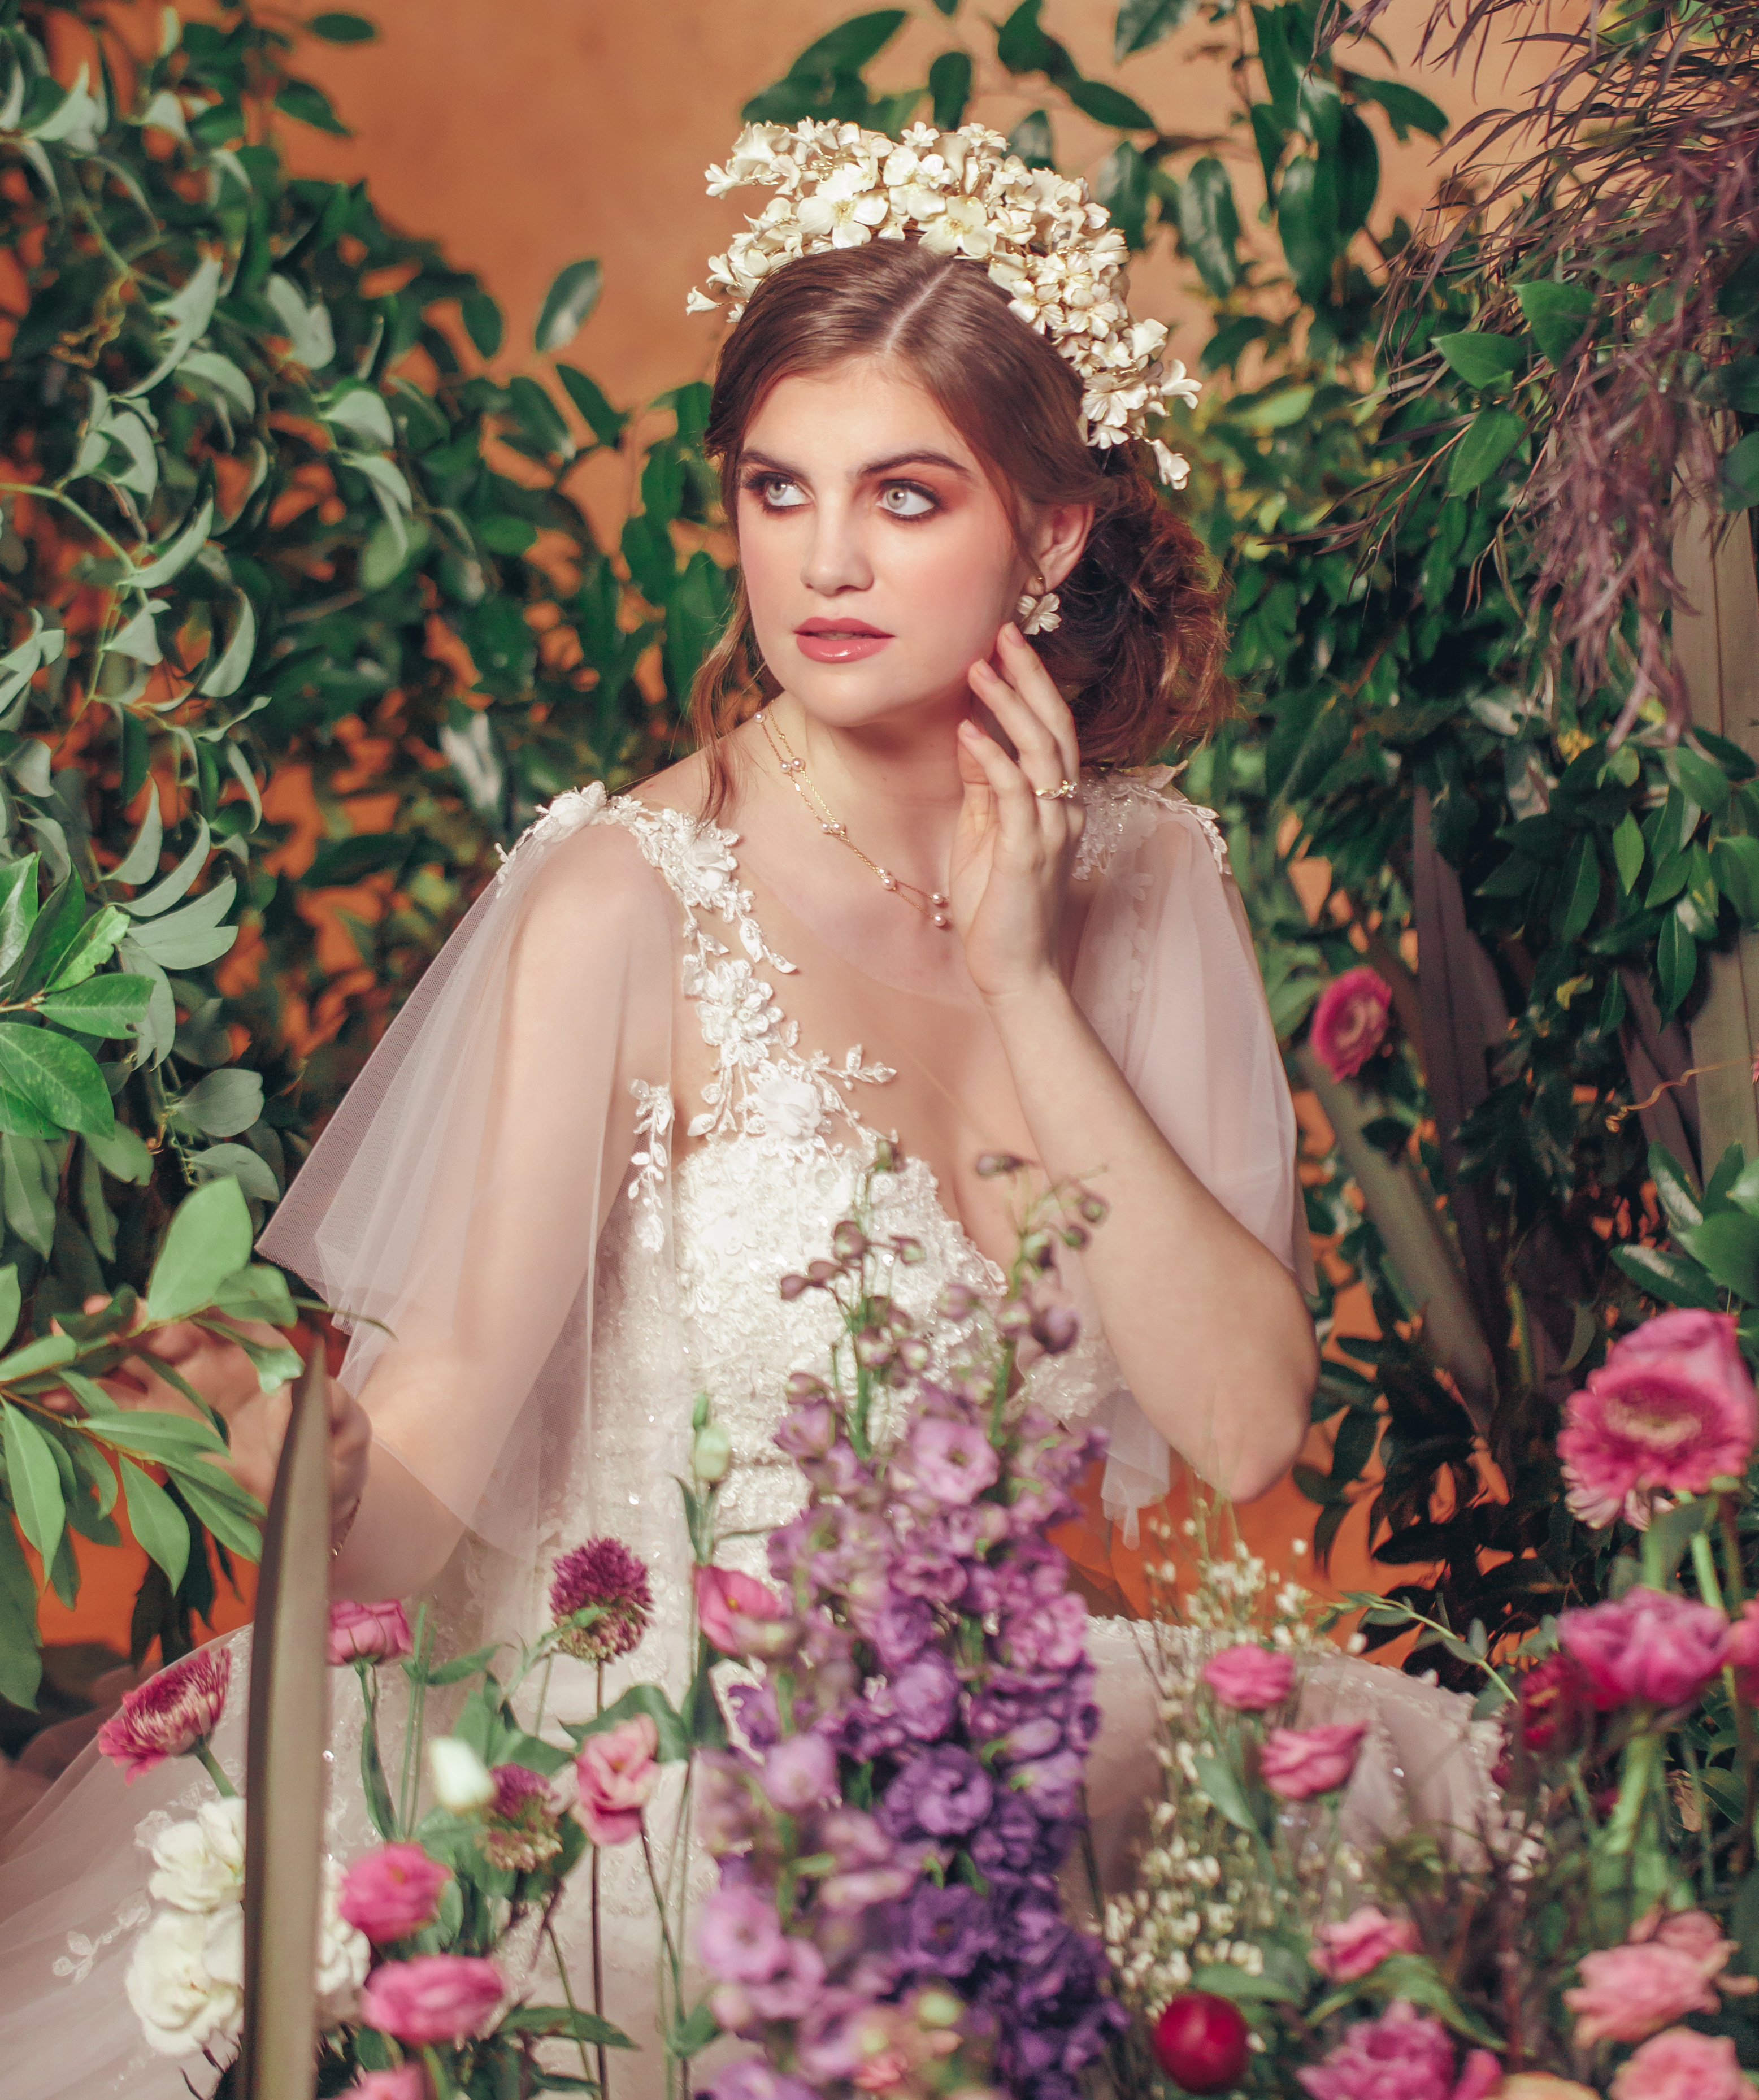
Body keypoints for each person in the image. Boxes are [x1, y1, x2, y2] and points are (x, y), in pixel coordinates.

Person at [0, 121, 1493, 2100]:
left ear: (1048, 536)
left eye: (903, 494)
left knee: (1419, 1845)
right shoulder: (629, 896)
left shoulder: (1147, 877)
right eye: (777, 492)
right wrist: (297, 1457)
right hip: (633, 1792)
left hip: (988, 1764)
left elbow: (1237, 1424)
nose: (826, 562)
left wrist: (1029, 977)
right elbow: (433, 1426)